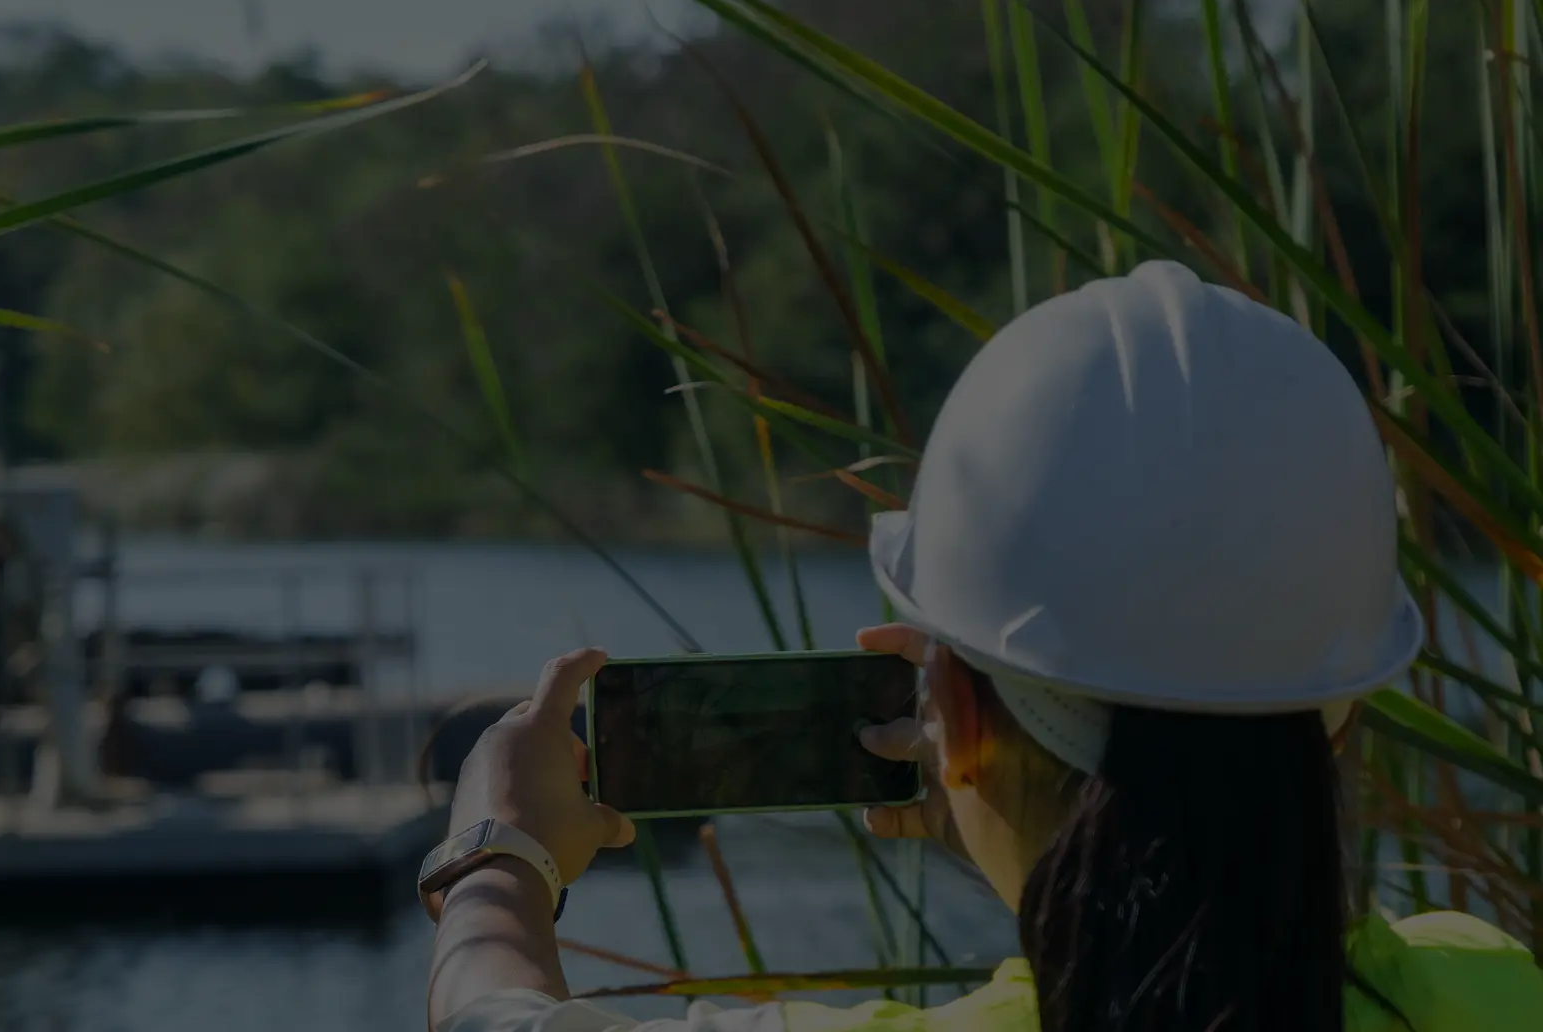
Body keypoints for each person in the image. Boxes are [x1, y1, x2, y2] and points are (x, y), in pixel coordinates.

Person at [421, 262, 1543, 1031]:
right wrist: (1035, 827)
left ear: (953, 723)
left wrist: (494, 857)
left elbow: (491, 1015)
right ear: (1341, 703)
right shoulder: (1489, 987)